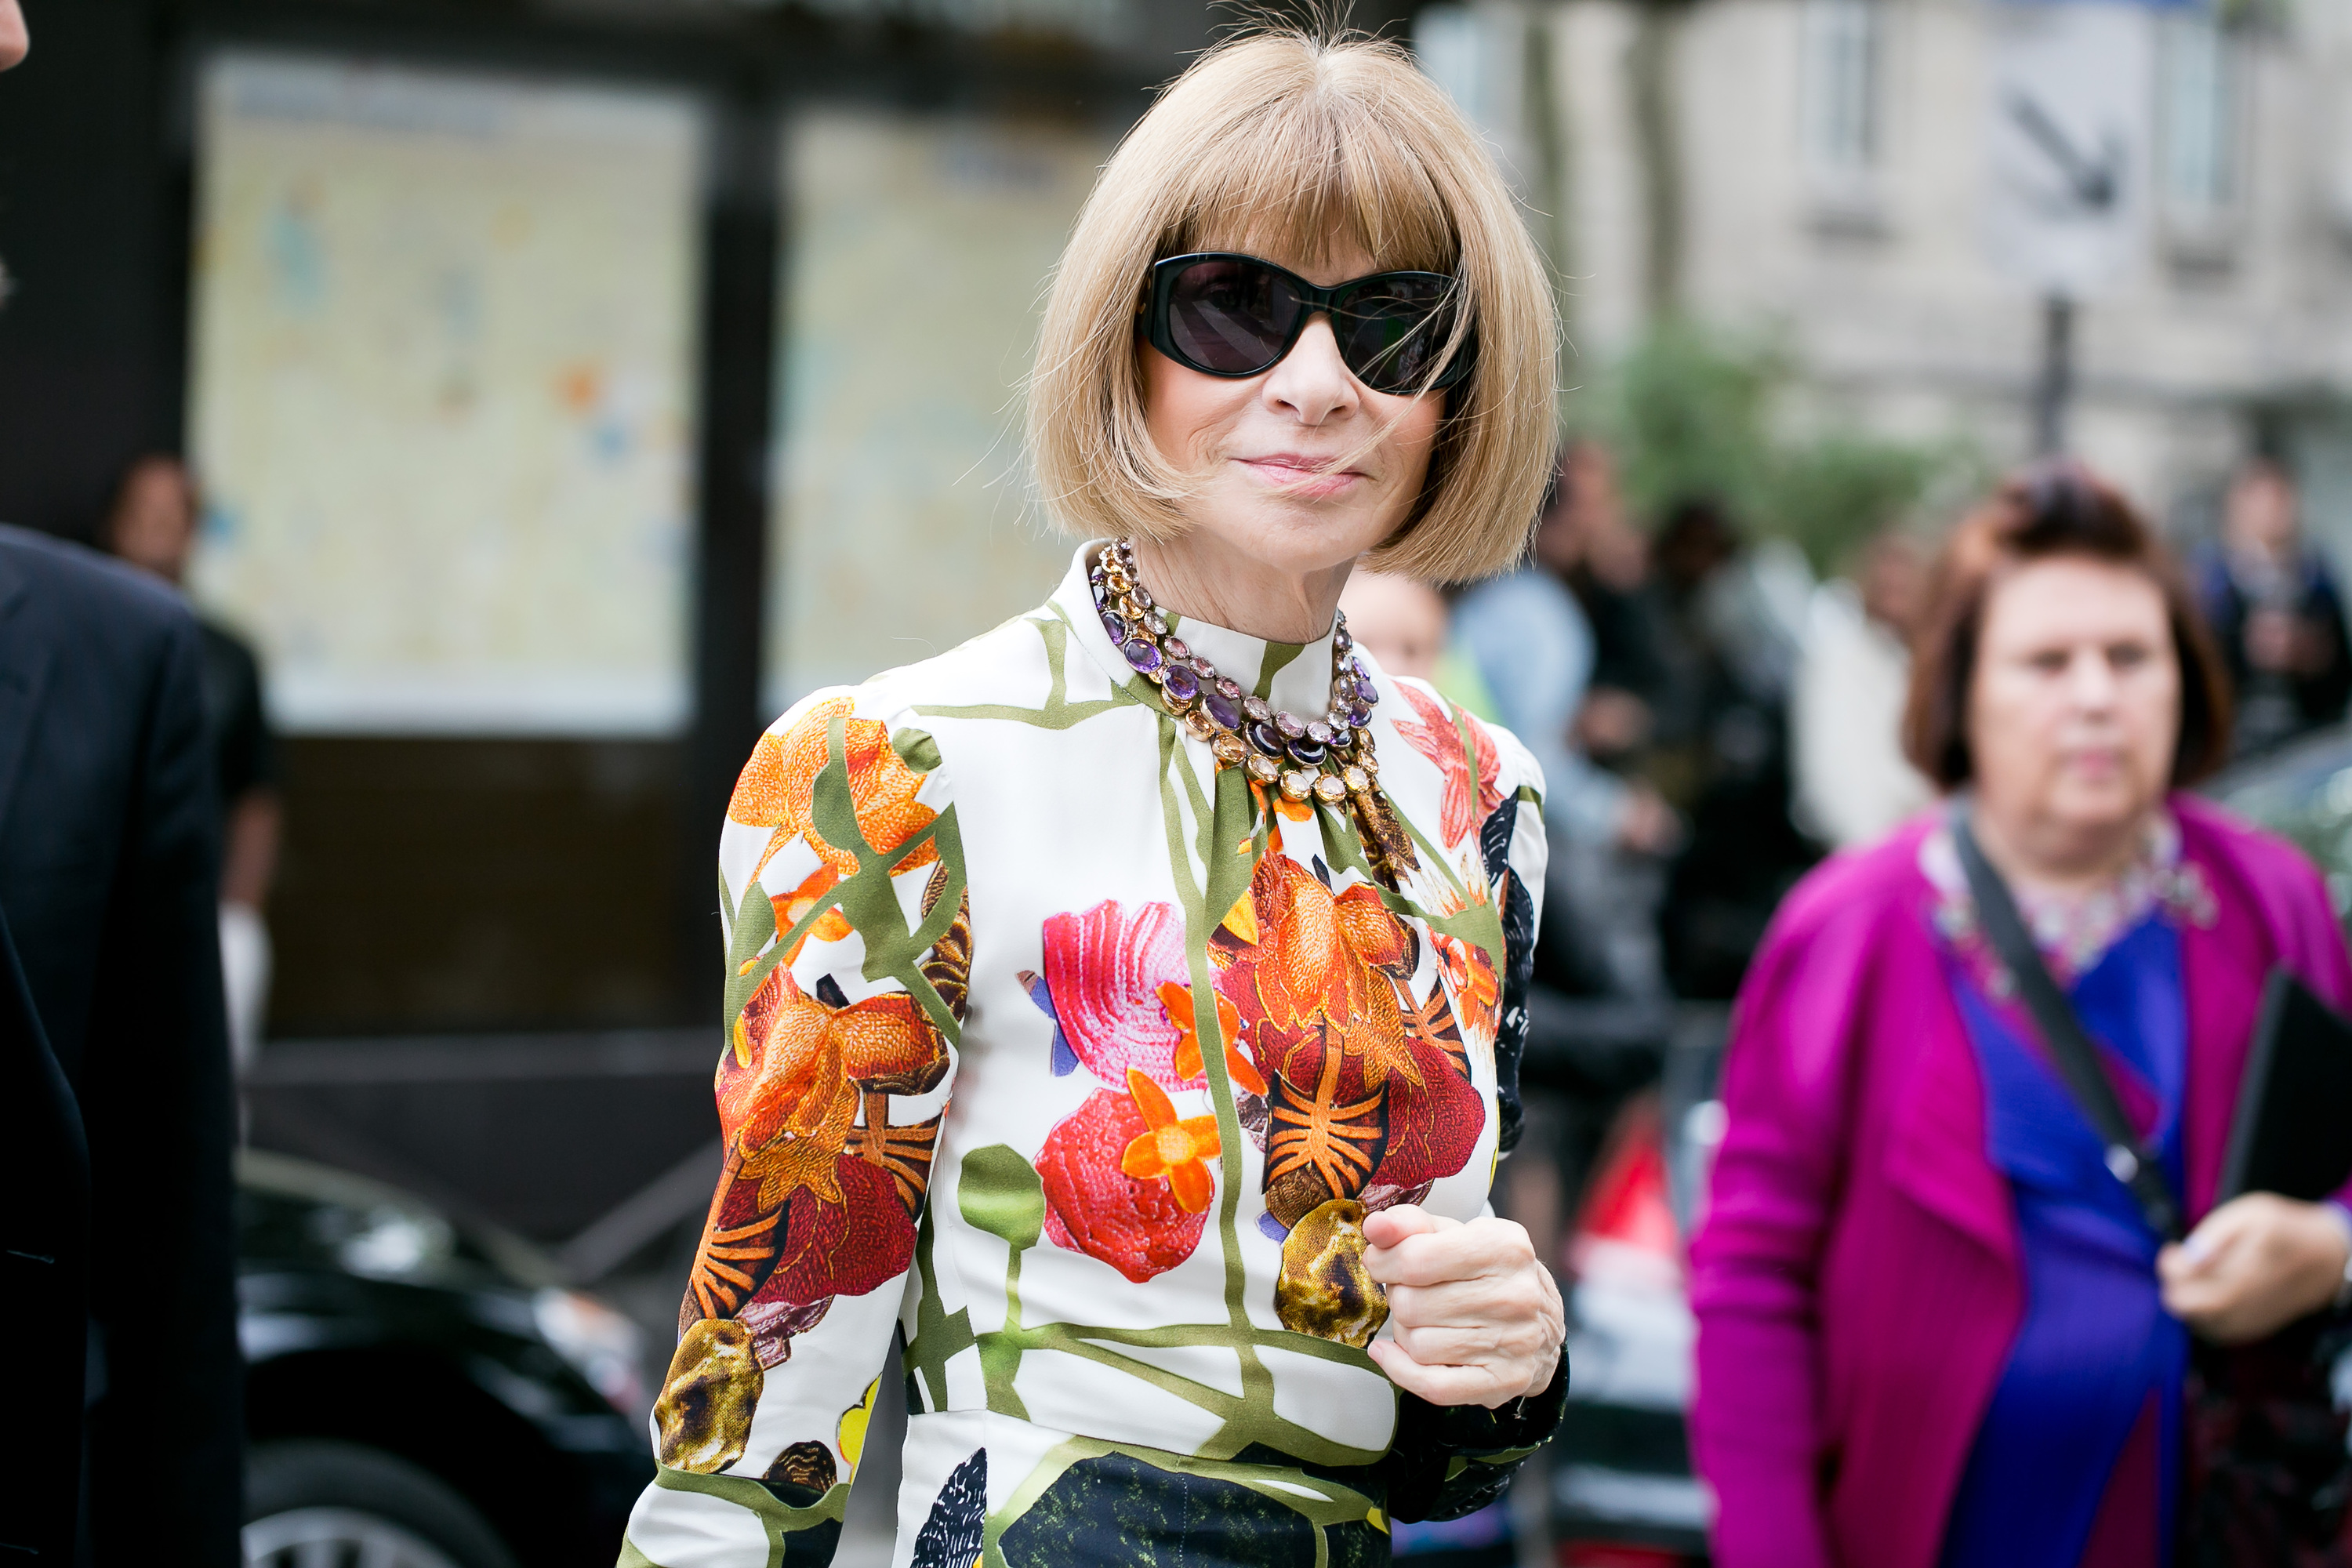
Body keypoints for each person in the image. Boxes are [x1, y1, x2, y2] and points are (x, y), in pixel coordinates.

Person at [617, 29, 1567, 1566]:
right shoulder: (897, 769)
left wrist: (1513, 1361)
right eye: (1235, 306)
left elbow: (1438, 1458)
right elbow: (757, 1416)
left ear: (1461, 388)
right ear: (1124, 341)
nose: (1317, 384)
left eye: (1394, 327)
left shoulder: (1484, 798)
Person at [1689, 462, 2352, 1568]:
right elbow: (1753, 1276)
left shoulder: (2268, 898)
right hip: (1924, 1526)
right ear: (1962, 691)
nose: (2096, 695)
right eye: (2047, 661)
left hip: (2216, 1517)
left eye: (2130, 657)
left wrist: (2330, 1249)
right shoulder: (1849, 927)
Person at [106, 455, 281, 1072]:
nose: (154, 535)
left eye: (169, 518)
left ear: (192, 530)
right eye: (141, 516)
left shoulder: (230, 660)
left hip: (199, 914)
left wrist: (238, 917)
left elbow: (256, 796)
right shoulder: (77, 647)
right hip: (99, 910)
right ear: (116, 525)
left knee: (202, 1088)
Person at [2193, 456, 2352, 758]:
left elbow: (2340, 674)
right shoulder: (2213, 581)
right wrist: (2244, 649)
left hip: (2306, 738)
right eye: (2259, 498)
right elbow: (2200, 672)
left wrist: (2311, 657)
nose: (2270, 510)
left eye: (2279, 498)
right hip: (2236, 746)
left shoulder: (2316, 577)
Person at [1789, 527, 1934, 848]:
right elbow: (1832, 777)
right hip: (1870, 848)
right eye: (1887, 583)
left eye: (1906, 580)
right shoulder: (1837, 660)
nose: (1896, 590)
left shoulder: (1933, 660)